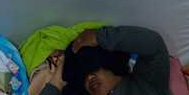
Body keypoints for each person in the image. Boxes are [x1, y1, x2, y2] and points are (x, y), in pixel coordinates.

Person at [31, 26, 170, 95]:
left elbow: (154, 45)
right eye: (82, 77)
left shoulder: (148, 84)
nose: (89, 77)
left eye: (92, 67)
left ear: (112, 64)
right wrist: (57, 82)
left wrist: (101, 37)